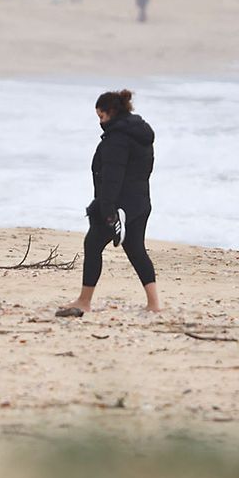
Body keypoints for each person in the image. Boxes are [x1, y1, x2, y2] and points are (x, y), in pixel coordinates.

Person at [59, 89, 162, 316]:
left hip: (119, 207)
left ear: (112, 112)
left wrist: (107, 210)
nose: (100, 122)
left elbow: (112, 177)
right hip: (141, 202)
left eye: (101, 116)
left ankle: (84, 301)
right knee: (136, 249)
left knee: (92, 244)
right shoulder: (140, 135)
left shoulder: (117, 139)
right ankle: (154, 303)